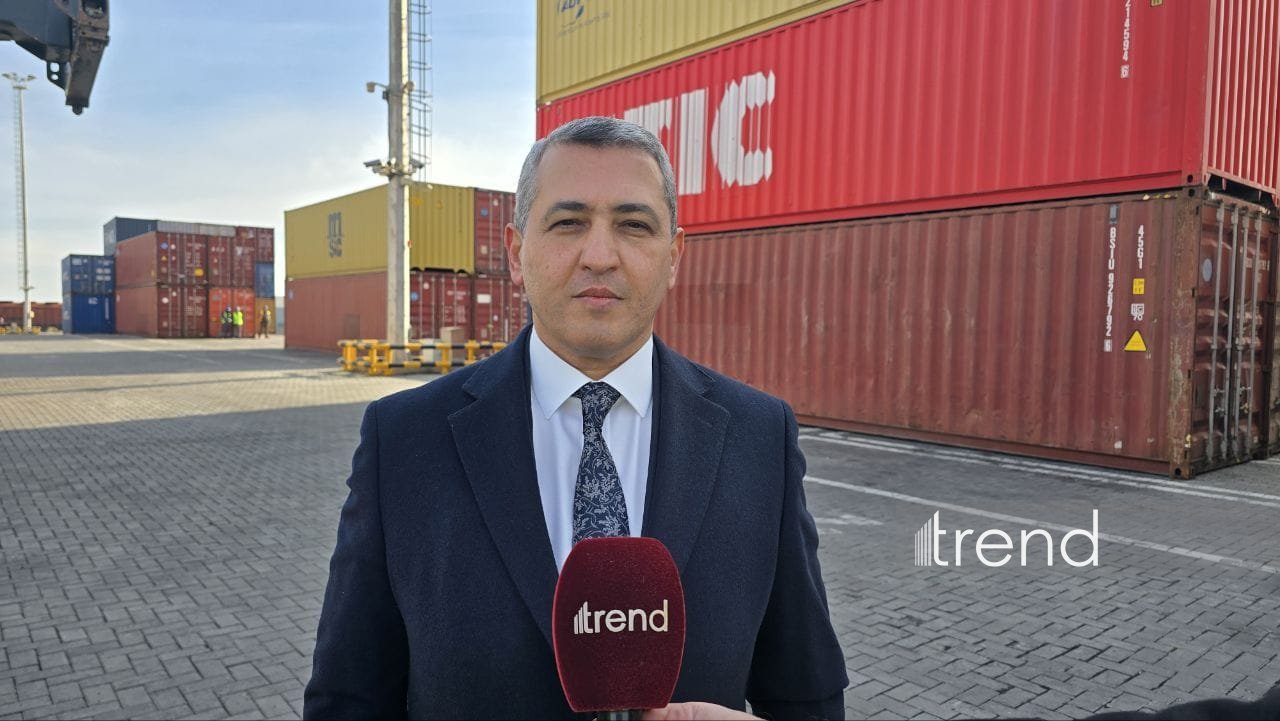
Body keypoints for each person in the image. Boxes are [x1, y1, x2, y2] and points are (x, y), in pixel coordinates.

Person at [304, 117, 847, 719]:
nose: (600, 256)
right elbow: (347, 696)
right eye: (568, 223)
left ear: (673, 257)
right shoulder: (405, 440)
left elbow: (807, 690)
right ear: (516, 253)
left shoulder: (760, 436)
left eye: (633, 225)